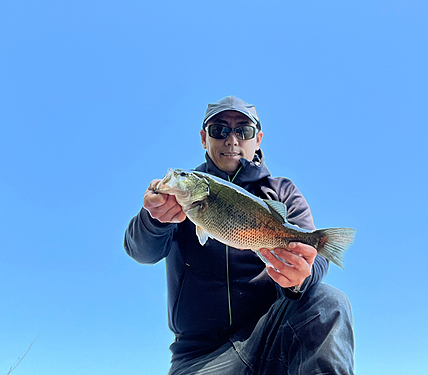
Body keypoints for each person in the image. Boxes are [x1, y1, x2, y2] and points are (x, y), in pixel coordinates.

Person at [124, 96, 355, 374]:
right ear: (203, 138)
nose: (231, 140)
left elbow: (315, 261)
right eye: (219, 130)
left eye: (242, 131)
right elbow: (141, 251)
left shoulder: (282, 191)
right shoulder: (179, 198)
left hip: (273, 335)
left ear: (257, 139)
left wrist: (299, 278)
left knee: (329, 302)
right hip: (199, 355)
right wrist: (153, 218)